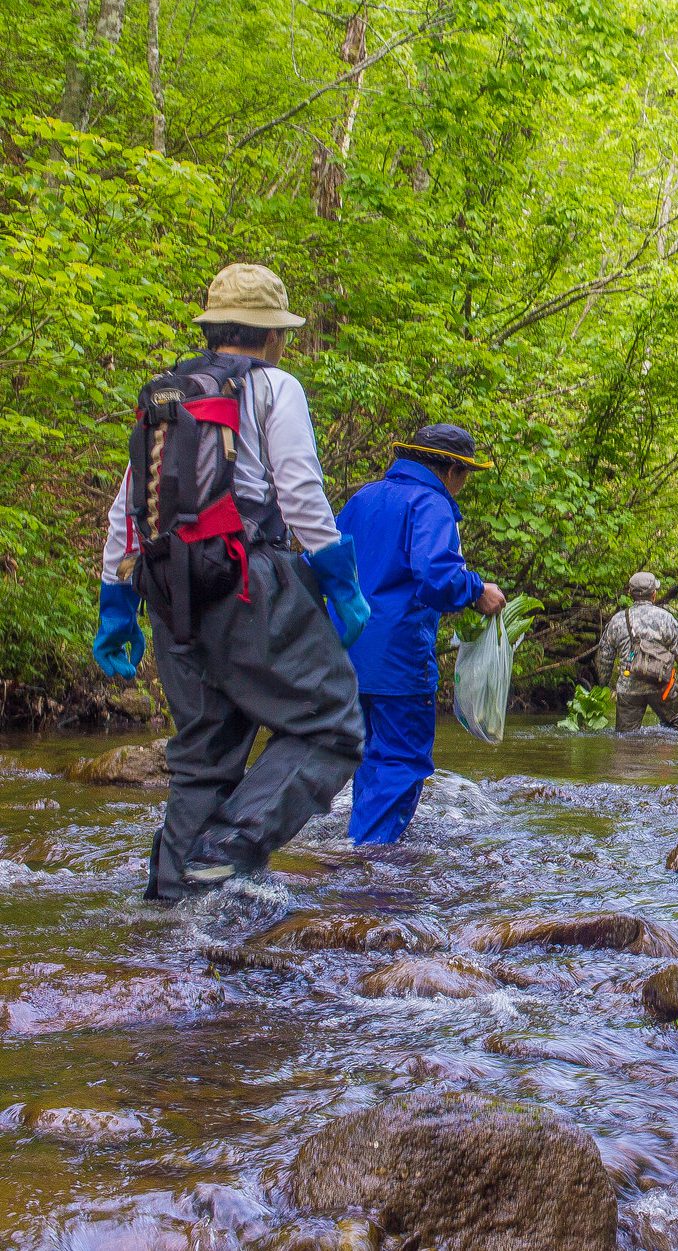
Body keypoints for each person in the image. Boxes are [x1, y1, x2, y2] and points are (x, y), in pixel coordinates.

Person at [92, 264, 370, 901]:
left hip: (167, 588)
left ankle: (171, 905)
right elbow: (299, 492)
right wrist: (339, 579)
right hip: (248, 582)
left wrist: (117, 603)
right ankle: (231, 846)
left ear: (212, 327)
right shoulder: (274, 387)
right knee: (332, 724)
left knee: (205, 755)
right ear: (272, 336)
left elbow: (125, 510)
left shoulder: (167, 393)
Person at [336, 424, 506, 844]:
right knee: (399, 760)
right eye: (466, 476)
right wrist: (476, 590)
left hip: (343, 652)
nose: (463, 486)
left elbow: (322, 561)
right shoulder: (431, 503)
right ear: (451, 470)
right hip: (399, 657)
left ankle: (359, 847)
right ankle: (369, 863)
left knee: (367, 756)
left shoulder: (362, 498)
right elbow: (437, 576)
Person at [595, 571, 678, 732]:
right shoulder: (666, 619)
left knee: (626, 739)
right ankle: (666, 756)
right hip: (661, 686)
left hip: (628, 689)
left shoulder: (617, 620)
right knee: (674, 732)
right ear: (654, 594)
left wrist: (603, 685)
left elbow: (604, 656)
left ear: (630, 593)